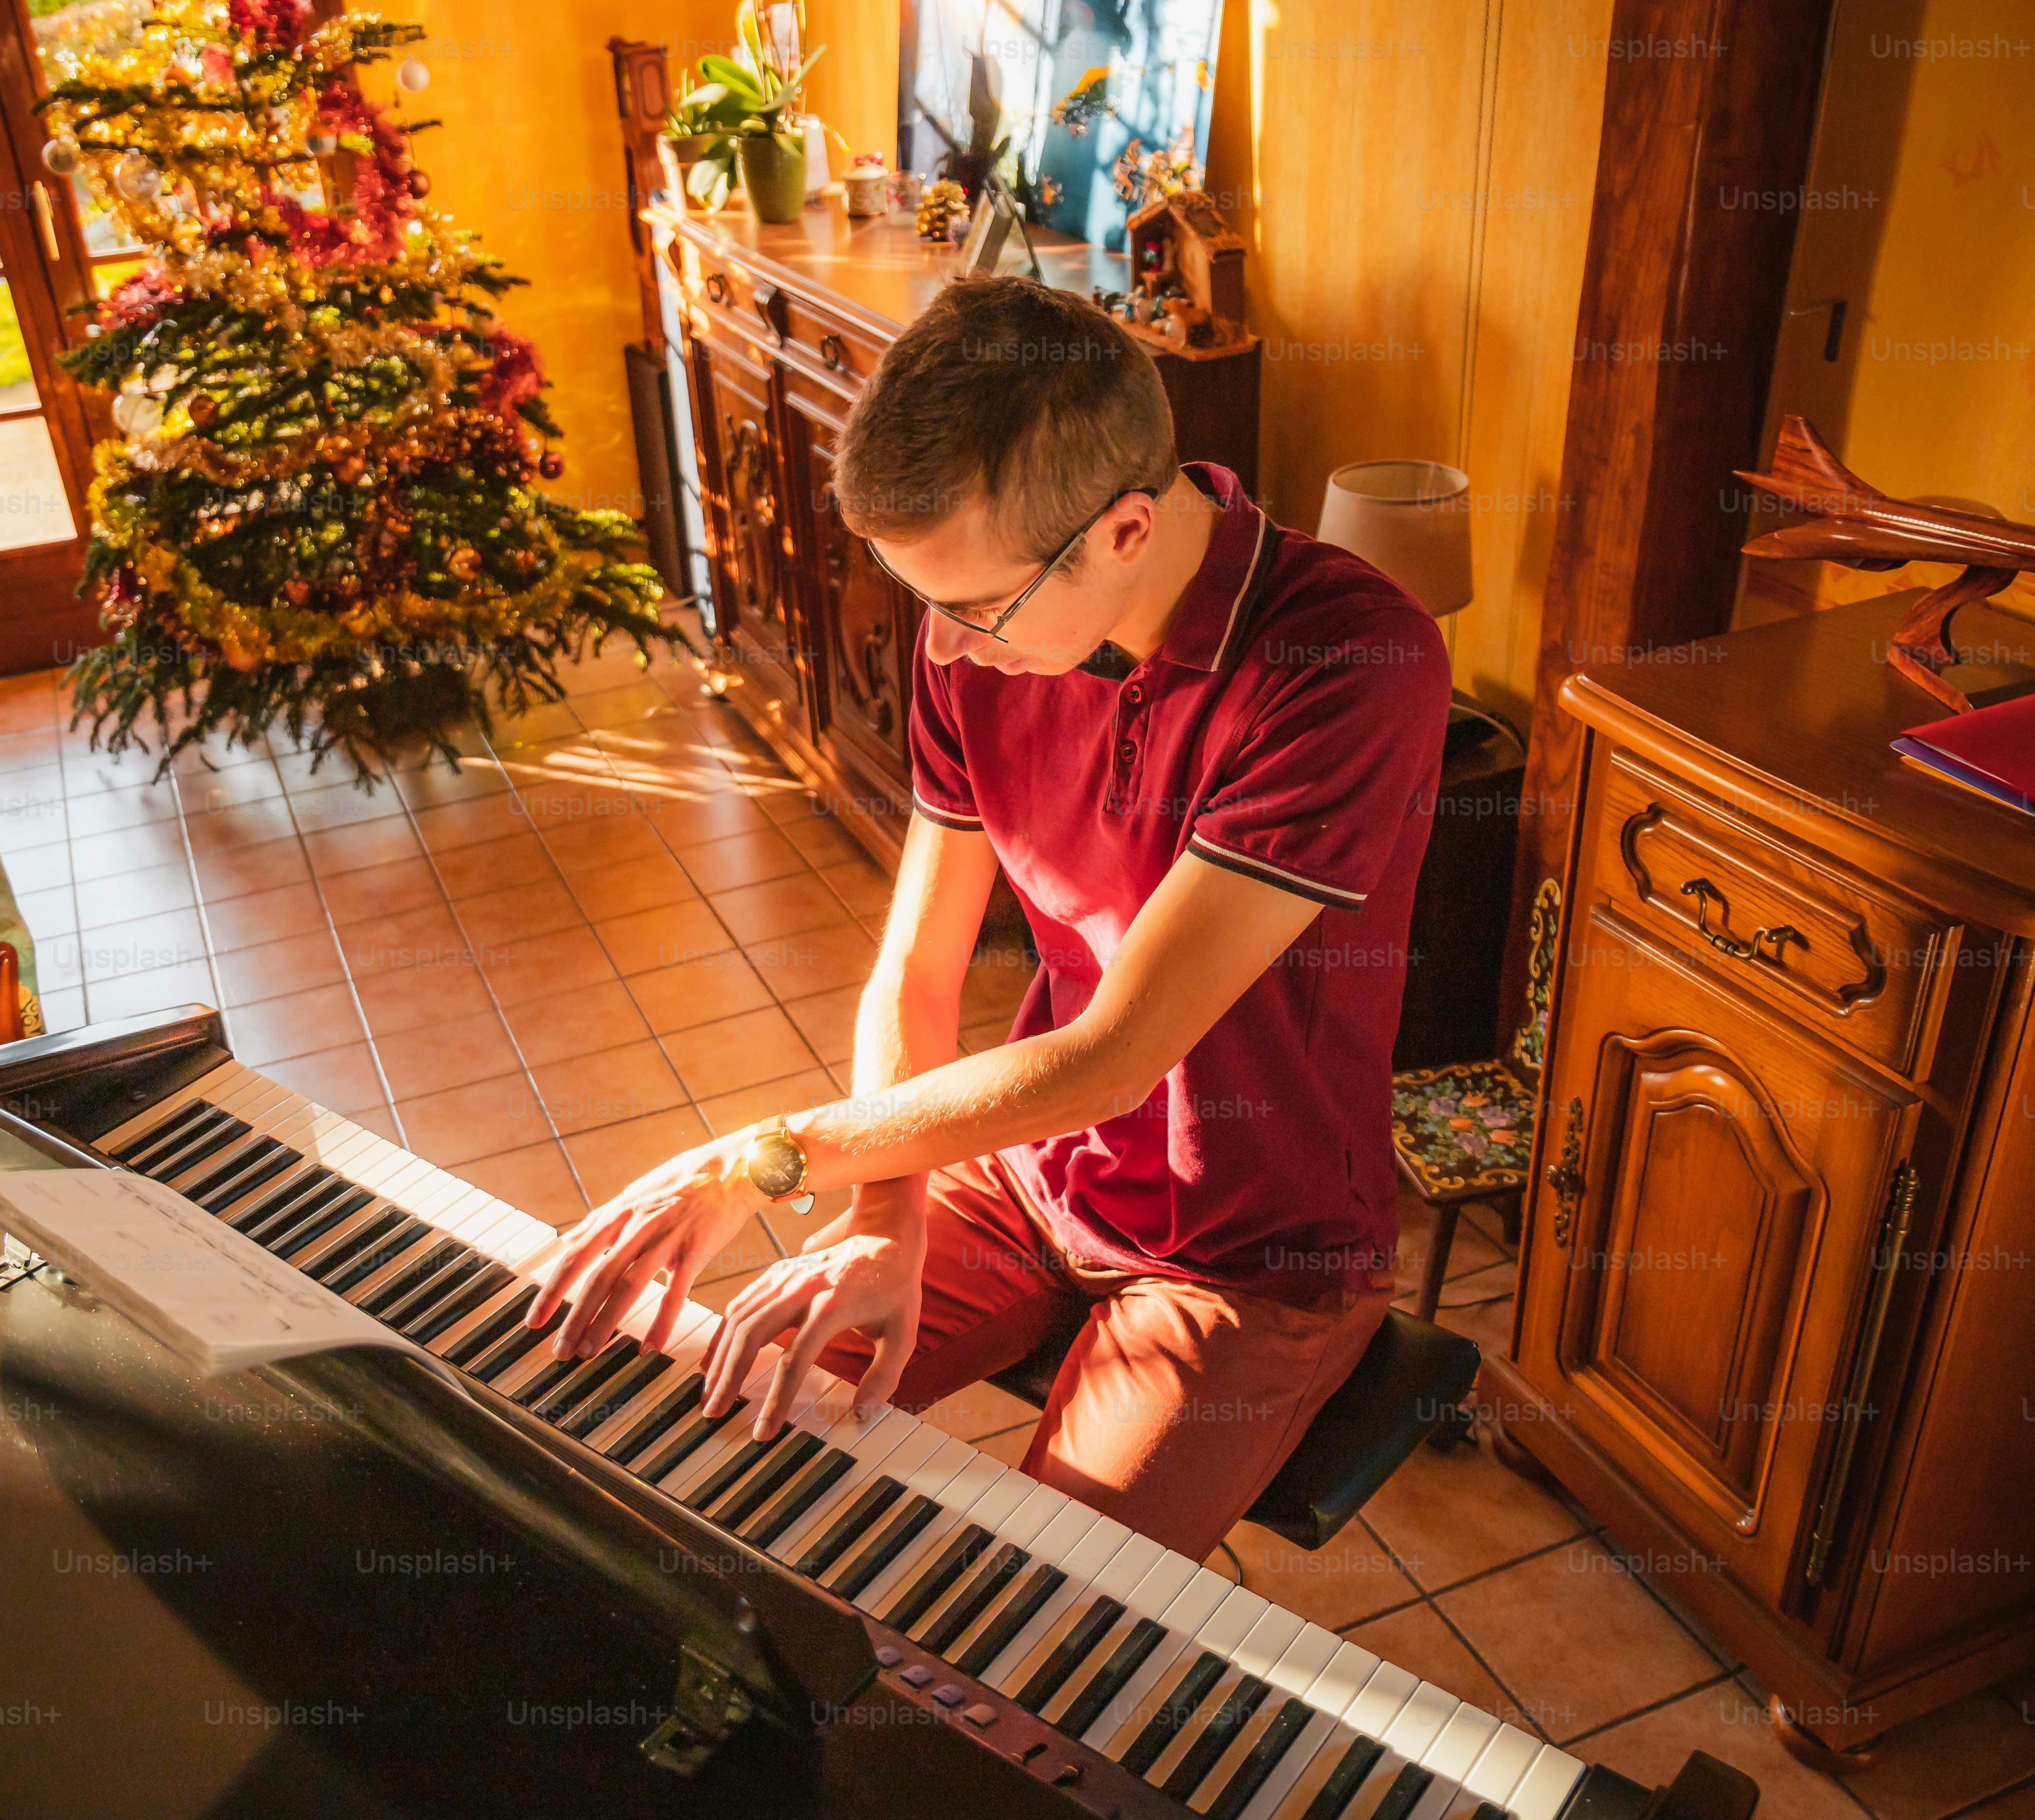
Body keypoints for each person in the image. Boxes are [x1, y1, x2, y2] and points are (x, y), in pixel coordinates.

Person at [526, 274, 1451, 1560]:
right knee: (706, 1451)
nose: (946, 652)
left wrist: (762, 1158)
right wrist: (881, 1222)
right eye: (926, 606)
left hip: (1249, 1252)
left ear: (1124, 533)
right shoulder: (981, 636)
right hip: (1028, 1171)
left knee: (1024, 1614)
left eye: (974, 610)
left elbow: (1115, 1056)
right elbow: (915, 973)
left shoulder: (1348, 662)